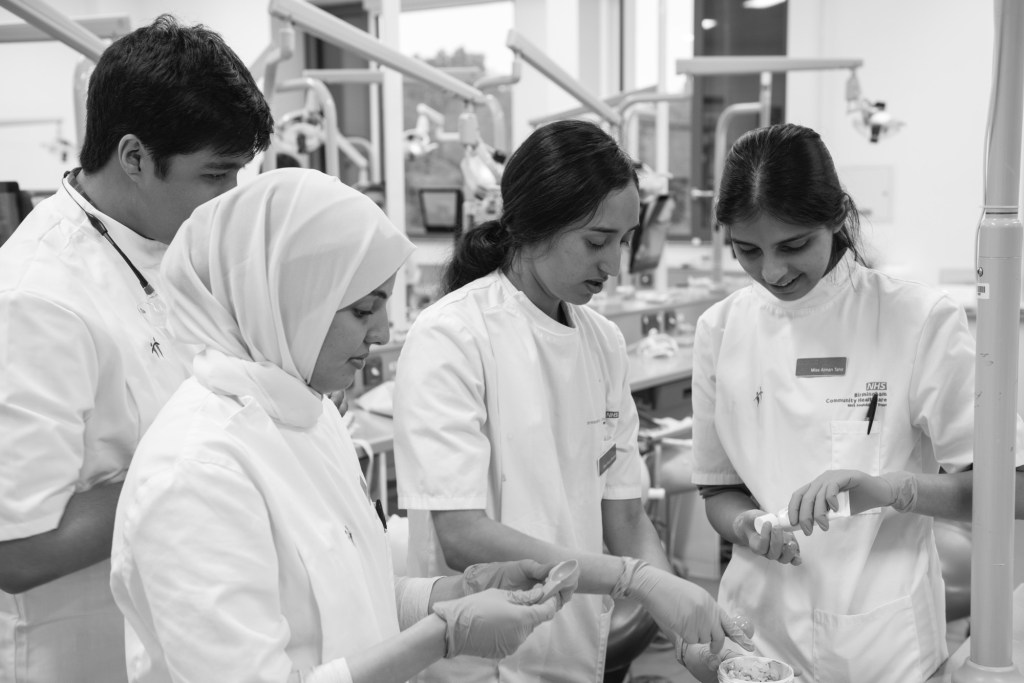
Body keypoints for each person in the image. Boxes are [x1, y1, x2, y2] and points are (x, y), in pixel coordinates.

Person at [110, 168, 569, 683]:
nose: (382, 332)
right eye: (363, 310)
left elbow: (354, 595)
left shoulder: (312, 413)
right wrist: (444, 635)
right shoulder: (197, 473)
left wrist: (454, 593)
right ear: (286, 302)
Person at [393, 119, 749, 683]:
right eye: (596, 241)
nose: (614, 265)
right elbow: (462, 536)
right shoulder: (453, 336)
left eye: (624, 240)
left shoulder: (602, 342)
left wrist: (691, 634)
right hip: (475, 660)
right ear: (535, 227)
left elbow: (625, 515)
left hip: (573, 648)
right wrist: (633, 579)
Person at [691, 122, 1024, 682]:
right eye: (747, 250)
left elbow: (1012, 489)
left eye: (794, 245)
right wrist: (745, 525)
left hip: (879, 644)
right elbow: (718, 490)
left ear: (837, 217)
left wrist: (892, 490)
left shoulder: (915, 319)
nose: (772, 272)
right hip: (754, 632)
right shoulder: (720, 329)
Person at [0, 15, 273, 683]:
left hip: (179, 624)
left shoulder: (171, 243)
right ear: (134, 157)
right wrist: (219, 463)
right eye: (215, 174)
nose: (229, 198)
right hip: (80, 648)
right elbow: (16, 549)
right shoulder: (35, 298)